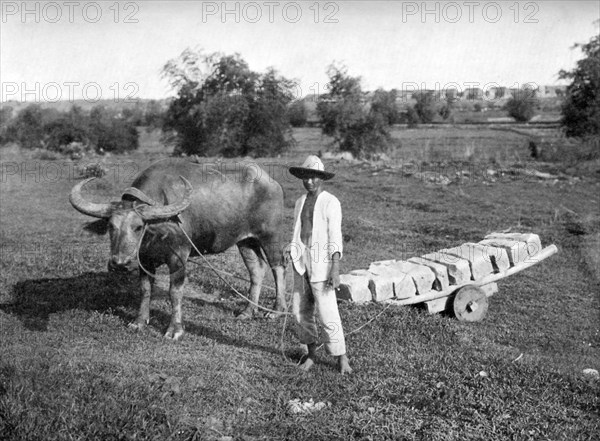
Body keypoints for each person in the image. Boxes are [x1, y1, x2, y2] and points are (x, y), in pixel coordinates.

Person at [288, 155, 352, 375]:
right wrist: (294, 249)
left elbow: (335, 236)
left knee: (328, 312)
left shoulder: (330, 202)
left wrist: (335, 268)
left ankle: (341, 357)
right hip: (301, 260)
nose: (310, 182)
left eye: (314, 177)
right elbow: (298, 230)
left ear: (321, 178)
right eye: (306, 177)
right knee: (300, 311)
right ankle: (311, 354)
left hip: (323, 263)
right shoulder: (300, 202)